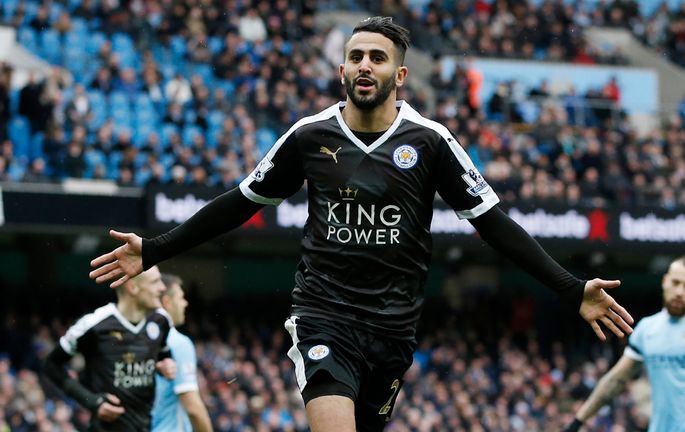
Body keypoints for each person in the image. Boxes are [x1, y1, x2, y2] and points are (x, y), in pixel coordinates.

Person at [89, 17, 633, 432]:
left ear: (399, 74)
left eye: (377, 57)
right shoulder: (309, 136)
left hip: (393, 328)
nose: (364, 65)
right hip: (324, 313)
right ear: (342, 70)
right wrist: (155, 249)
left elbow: (492, 224)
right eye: (355, 57)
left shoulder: (430, 141)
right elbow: (240, 202)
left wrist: (570, 287)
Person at [565, 254, 685, 432]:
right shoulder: (647, 329)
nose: (680, 291)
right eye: (676, 283)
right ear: (665, 281)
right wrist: (577, 422)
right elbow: (616, 379)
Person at [44, 266, 176, 431]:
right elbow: (51, 365)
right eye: (155, 282)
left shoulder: (161, 321)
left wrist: (167, 364)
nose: (162, 288)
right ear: (132, 287)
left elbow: (163, 354)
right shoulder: (94, 325)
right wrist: (92, 401)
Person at [151, 273, 213, 432]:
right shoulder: (178, 342)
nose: (185, 303)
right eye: (181, 297)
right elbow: (193, 409)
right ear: (167, 302)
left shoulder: (141, 338)